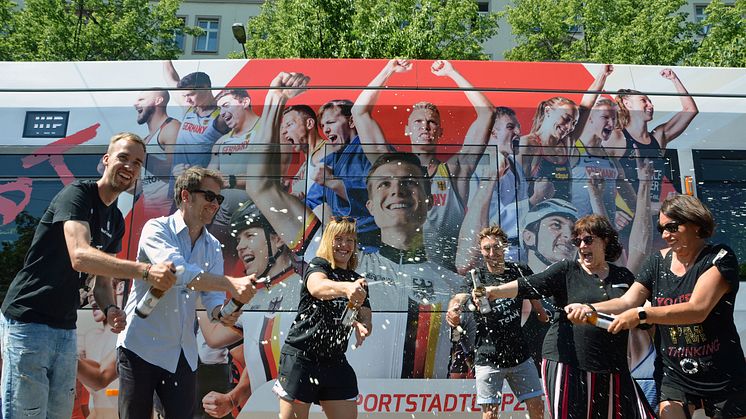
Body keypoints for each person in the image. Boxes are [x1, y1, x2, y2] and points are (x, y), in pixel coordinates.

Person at [244, 72, 461, 379]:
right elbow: (261, 187)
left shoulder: (456, 285)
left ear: (427, 201)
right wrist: (274, 103)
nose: (397, 190)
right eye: (384, 184)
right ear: (370, 205)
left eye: (408, 182)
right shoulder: (342, 259)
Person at [0, 132, 176, 419]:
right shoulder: (77, 194)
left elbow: (101, 281)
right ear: (106, 160)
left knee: (58, 414)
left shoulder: (116, 219)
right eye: (123, 157)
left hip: (65, 326)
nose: (129, 166)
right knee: (26, 414)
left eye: (137, 162)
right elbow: (80, 256)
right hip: (28, 319)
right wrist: (144, 270)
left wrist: (109, 308)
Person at [567, 194, 746, 419]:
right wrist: (590, 308)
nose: (665, 235)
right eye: (661, 228)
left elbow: (697, 310)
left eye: (672, 227)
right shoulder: (656, 262)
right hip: (675, 372)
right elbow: (627, 302)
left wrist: (643, 314)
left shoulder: (719, 257)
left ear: (696, 223)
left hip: (722, 371)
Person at [115, 166, 257, 418]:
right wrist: (230, 283)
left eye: (219, 199)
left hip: (181, 352)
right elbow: (180, 273)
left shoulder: (212, 245)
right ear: (185, 196)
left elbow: (211, 301)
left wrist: (225, 311)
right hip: (140, 346)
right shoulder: (156, 228)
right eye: (209, 197)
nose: (215, 205)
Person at [481, 214, 656, 419]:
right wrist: (494, 291)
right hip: (567, 362)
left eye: (588, 240)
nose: (582, 246)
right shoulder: (566, 270)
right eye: (577, 241)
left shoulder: (623, 276)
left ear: (605, 240)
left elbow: (643, 317)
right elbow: (530, 284)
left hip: (613, 366)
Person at [353, 59, 494, 271]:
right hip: (399, 271)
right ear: (407, 130)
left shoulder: (455, 170)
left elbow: (487, 113)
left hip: (445, 275)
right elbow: (359, 112)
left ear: (440, 132)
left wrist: (452, 73)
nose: (425, 127)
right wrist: (388, 71)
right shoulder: (392, 169)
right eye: (418, 122)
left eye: (431, 122)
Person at [200, 202, 304, 418]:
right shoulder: (249, 298)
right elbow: (214, 336)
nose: (239, 246)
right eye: (238, 239)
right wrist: (197, 284)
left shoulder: (307, 288)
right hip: (260, 410)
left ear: (278, 239)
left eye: (249, 235)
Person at [272, 217, 372, 419]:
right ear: (328, 241)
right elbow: (317, 288)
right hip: (302, 358)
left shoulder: (357, 280)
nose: (344, 245)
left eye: (350, 240)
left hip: (335, 361)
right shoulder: (319, 266)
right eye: (339, 239)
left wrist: (363, 327)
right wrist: (346, 288)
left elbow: (366, 318)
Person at [447, 226, 545, 419]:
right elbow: (458, 298)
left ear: (505, 247)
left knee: (537, 408)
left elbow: (533, 293)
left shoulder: (519, 270)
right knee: (490, 415)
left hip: (520, 355)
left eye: (497, 247)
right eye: (487, 248)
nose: (492, 253)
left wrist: (541, 312)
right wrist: (453, 310)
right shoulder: (475, 277)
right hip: (488, 357)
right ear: (480, 250)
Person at [163, 60, 229, 175]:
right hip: (176, 178)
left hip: (199, 182)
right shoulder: (189, 108)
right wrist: (165, 58)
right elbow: (171, 79)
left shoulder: (222, 117)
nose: (187, 99)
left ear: (206, 88)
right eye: (185, 95)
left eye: (190, 94)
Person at [133, 89, 180, 219]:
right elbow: (139, 188)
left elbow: (174, 173)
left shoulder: (171, 128)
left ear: (158, 101)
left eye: (141, 99)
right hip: (150, 216)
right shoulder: (145, 140)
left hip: (170, 215)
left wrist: (137, 154)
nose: (135, 104)